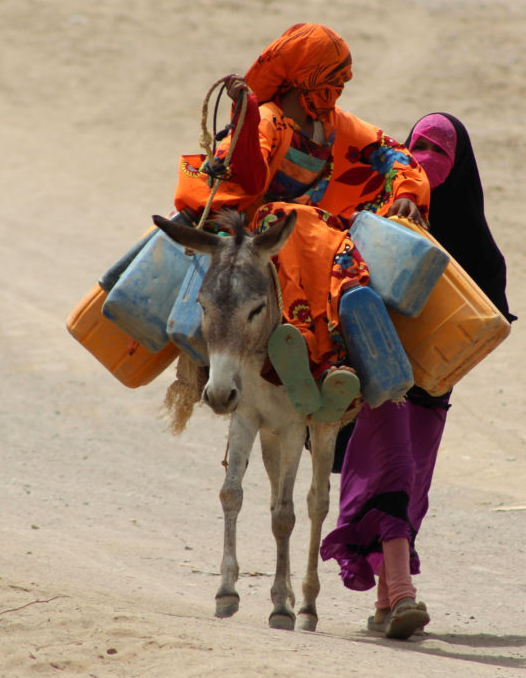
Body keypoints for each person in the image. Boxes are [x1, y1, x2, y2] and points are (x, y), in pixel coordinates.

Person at [163, 23, 430, 428]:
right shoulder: (267, 120)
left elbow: (390, 153)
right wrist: (246, 118)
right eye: (330, 80)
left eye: (341, 82)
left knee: (348, 256)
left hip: (318, 233)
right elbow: (247, 178)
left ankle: (336, 366)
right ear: (303, 77)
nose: (337, 90)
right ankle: (304, 351)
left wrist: (407, 191)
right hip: (264, 232)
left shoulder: (334, 125)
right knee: (291, 224)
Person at [320, 112, 516, 639]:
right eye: (418, 146)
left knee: (414, 483)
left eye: (439, 149)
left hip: (434, 383)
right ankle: (404, 591)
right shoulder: (386, 206)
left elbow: (487, 306)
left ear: (461, 165)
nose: (426, 157)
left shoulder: (473, 239)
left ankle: (387, 604)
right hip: (382, 373)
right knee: (394, 470)